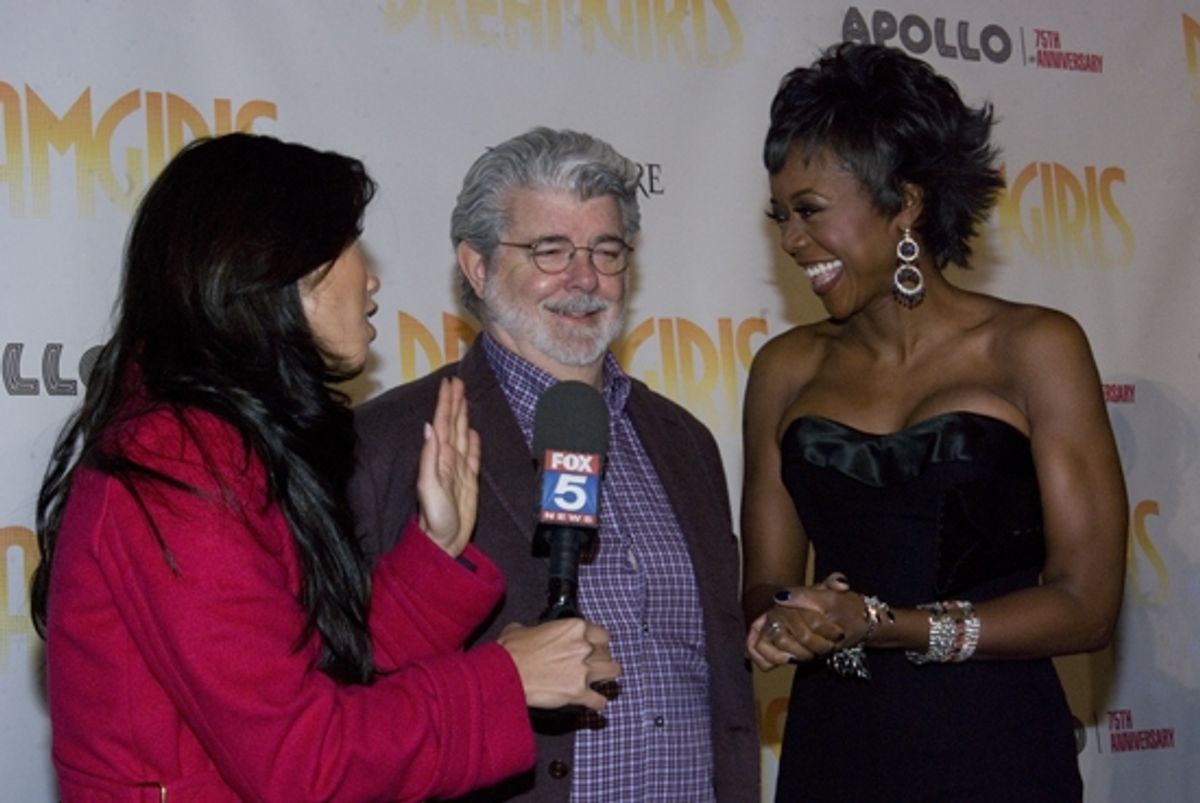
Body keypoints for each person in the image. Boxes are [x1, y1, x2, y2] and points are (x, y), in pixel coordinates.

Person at [30, 132, 618, 802]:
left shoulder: (227, 444)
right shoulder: (177, 465)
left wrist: (436, 551)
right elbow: (301, 760)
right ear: (281, 273)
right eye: (346, 247)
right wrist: (505, 679)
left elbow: (324, 670)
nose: (370, 278)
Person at [741, 43, 1127, 802]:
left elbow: (1087, 604)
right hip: (833, 754)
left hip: (997, 752)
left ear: (906, 201)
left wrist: (887, 624)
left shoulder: (1036, 348)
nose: (791, 240)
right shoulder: (785, 368)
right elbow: (763, 583)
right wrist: (783, 619)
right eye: (781, 216)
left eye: (810, 211)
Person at [350, 126, 758, 802]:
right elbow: (344, 693)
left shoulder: (685, 442)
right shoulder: (387, 442)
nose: (585, 278)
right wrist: (497, 675)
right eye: (550, 250)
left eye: (606, 249)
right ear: (477, 267)